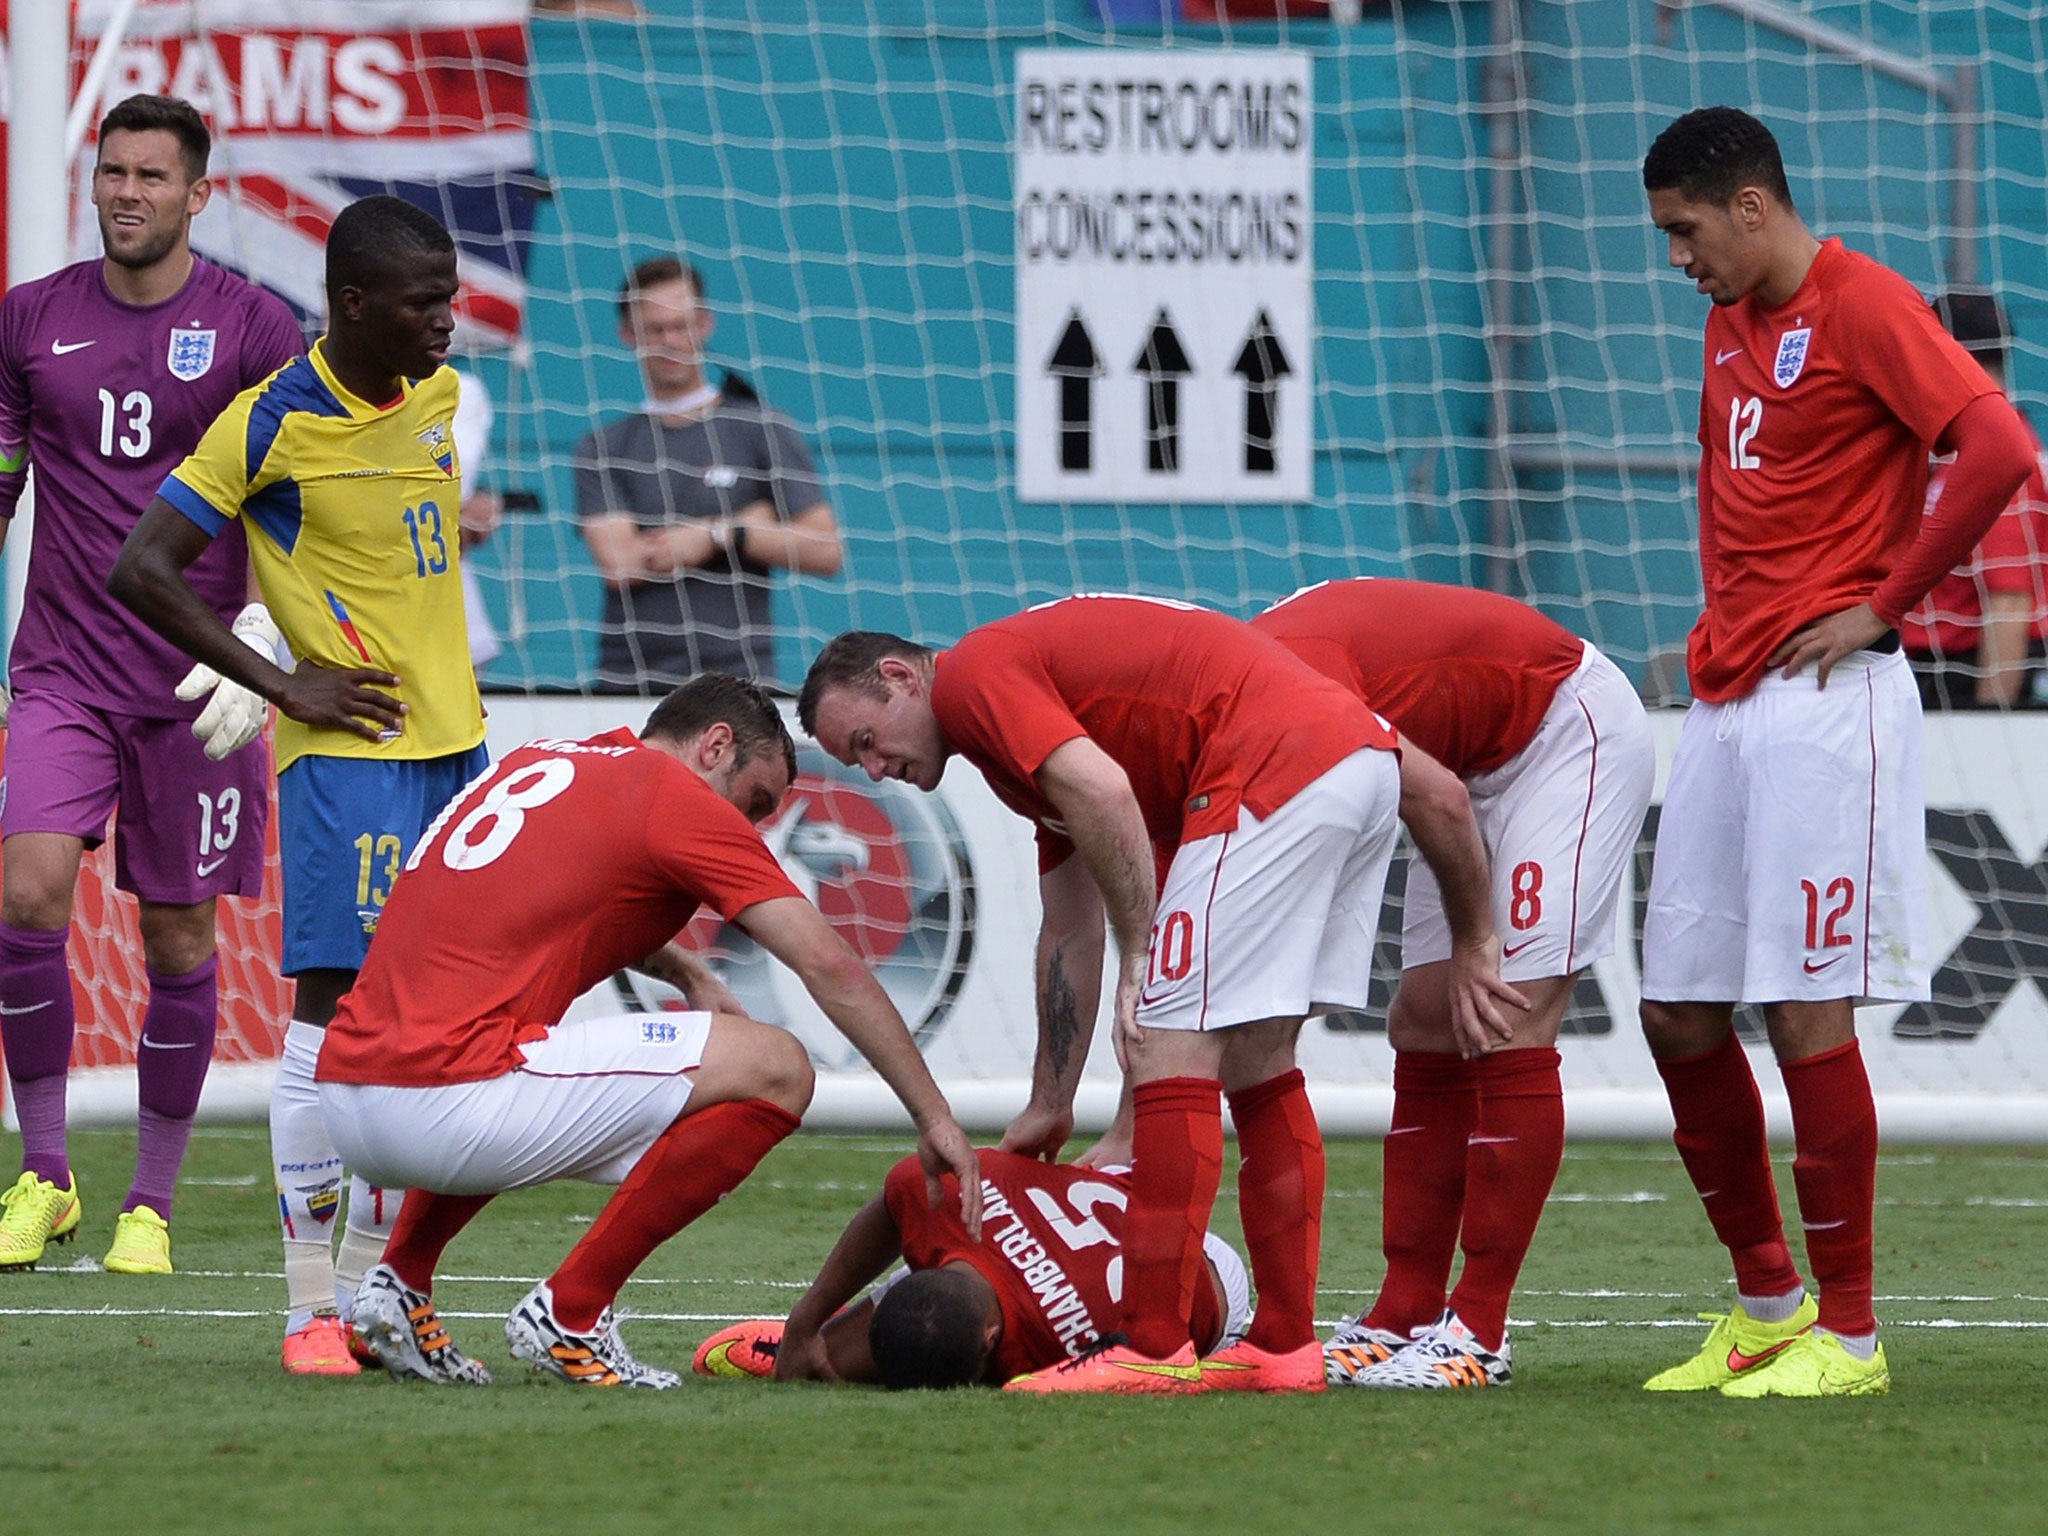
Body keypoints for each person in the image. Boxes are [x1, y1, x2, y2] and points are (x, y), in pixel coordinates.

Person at [798, 597, 1523, 1394]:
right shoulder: (1014, 738)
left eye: (867, 740)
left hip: (1273, 764)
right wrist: (1051, 1098)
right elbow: (1068, 928)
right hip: (1350, 763)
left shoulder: (970, 679)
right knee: (1257, 1057)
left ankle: (1152, 1345)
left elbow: (1106, 793)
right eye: (853, 759)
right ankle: (1283, 1348)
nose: (873, 769)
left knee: (1168, 1042)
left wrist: (1146, 952)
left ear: (901, 676)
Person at [1638, 107, 2035, 1398]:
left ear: (1751, 206)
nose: (1679, 259)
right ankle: (1765, 1307)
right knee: (1677, 1009)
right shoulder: (1726, 327)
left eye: (1687, 232)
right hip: (1728, 698)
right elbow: (1730, 495)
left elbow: (2000, 449)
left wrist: (1892, 601)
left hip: (1832, 697)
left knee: (1806, 1006)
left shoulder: (1866, 305)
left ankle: (1851, 1338)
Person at [310, 674, 979, 1389]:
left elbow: (572, 893)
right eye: (754, 803)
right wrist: (934, 1114)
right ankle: (571, 1312)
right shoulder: (677, 798)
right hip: (444, 1102)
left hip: (350, 1097)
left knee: (524, 1044)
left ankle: (398, 1286)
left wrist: (687, 973)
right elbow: (829, 964)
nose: (751, 827)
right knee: (780, 1067)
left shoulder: (549, 760)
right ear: (715, 746)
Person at [109, 195, 490, 1376]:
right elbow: (144, 565)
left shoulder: (437, 396)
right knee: (328, 1028)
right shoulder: (270, 419)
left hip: (453, 754)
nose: (447, 317)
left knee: (432, 1035)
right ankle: (309, 1308)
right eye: (425, 301)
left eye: (451, 294)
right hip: (348, 767)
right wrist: (284, 684)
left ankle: (383, 1300)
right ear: (355, 304)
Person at [0, 95, 302, 1275]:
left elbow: (302, 499)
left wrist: (266, 629)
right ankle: (44, 1176)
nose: (126, 192)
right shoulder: (29, 322)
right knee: (26, 894)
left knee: (177, 941)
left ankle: (152, 1206)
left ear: (196, 196)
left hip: (196, 686)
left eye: (150, 176)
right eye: (111, 172)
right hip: (63, 672)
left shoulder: (254, 328)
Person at [1251, 577, 1655, 1389]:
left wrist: (1478, 938)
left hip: (1564, 735)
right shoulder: (1259, 687)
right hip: (1463, 768)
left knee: (1504, 1012)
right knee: (1425, 1021)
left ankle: (1479, 1327)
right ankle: (1405, 1309)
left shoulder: (1298, 689)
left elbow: (1418, 799)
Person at [691, 1146, 1248, 1388]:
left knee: (862, 1362)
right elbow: (893, 1201)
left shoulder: (1047, 1348)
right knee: (913, 1335)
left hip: (1211, 1280)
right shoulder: (941, 1196)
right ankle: (821, 1339)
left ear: (991, 1340)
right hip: (1119, 1198)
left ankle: (837, 1341)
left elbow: (895, 1201)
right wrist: (804, 1320)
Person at [575, 257, 842, 692]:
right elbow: (621, 564)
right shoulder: (603, 447)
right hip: (630, 683)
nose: (670, 341)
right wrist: (756, 522)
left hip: (739, 683)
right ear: (628, 336)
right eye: (654, 329)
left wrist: (719, 533)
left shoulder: (762, 427)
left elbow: (824, 549)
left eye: (682, 325)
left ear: (705, 324)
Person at [1901, 292, 2048, 710]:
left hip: (1966, 676)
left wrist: (1987, 717)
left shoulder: (1995, 458)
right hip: (1940, 670)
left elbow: (2009, 601)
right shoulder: (1960, 452)